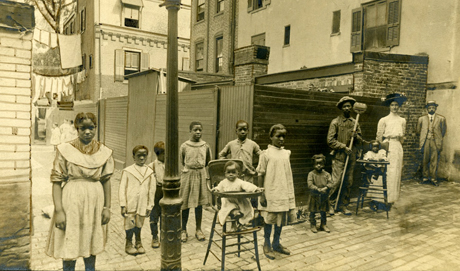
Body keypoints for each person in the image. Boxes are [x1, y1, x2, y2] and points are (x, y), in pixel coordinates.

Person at [46, 112, 114, 271]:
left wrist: (107, 208)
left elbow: (106, 181)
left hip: (95, 202)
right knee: (70, 243)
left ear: (96, 128)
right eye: (83, 128)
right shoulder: (64, 150)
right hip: (72, 201)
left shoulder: (104, 152)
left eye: (91, 127)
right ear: (76, 128)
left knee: (91, 244)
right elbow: (56, 181)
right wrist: (59, 211)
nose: (87, 132)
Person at [257, 124, 296, 260]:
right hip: (271, 192)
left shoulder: (286, 153)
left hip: (283, 191)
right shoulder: (266, 154)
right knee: (269, 220)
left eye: (283, 136)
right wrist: (261, 193)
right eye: (278, 136)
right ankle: (266, 244)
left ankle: (276, 243)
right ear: (271, 137)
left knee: (280, 219)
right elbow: (260, 174)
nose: (281, 139)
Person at [327, 96, 362, 216]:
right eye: (345, 106)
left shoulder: (355, 122)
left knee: (348, 182)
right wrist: (343, 147)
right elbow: (330, 140)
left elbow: (360, 141)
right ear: (341, 108)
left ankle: (343, 205)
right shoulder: (335, 122)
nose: (347, 108)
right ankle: (330, 205)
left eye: (349, 106)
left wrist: (356, 136)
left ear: (352, 108)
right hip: (339, 157)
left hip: (351, 157)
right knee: (336, 182)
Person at [119, 145, 155, 255]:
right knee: (130, 223)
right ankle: (129, 242)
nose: (142, 158)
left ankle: (138, 242)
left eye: (144, 155)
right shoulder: (127, 171)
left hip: (142, 204)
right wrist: (123, 204)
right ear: (133, 157)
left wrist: (150, 205)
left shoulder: (149, 172)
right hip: (130, 203)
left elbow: (152, 190)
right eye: (139, 156)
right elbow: (122, 188)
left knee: (139, 222)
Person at [179, 121, 212, 243]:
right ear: (190, 131)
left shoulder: (205, 146)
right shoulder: (184, 146)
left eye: (200, 130)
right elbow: (182, 161)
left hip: (201, 175)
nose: (198, 132)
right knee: (185, 203)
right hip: (188, 175)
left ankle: (198, 229)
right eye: (195, 130)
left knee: (199, 204)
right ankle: (183, 230)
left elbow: (208, 161)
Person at [211, 161, 263, 232]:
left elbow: (248, 186)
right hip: (228, 201)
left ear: (238, 173)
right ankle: (235, 216)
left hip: (239, 201)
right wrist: (216, 189)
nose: (231, 174)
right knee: (230, 207)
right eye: (228, 172)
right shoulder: (223, 182)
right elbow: (219, 187)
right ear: (225, 173)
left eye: (233, 172)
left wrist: (256, 189)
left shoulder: (240, 182)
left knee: (245, 208)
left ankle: (240, 223)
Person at [376, 93, 407, 207]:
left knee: (395, 172)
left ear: (399, 107)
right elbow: (379, 137)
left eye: (396, 105)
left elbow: (402, 136)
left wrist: (398, 145)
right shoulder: (383, 120)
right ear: (389, 106)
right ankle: (380, 198)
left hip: (397, 146)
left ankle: (391, 199)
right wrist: (382, 149)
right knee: (386, 172)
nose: (394, 107)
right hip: (386, 145)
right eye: (392, 105)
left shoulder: (402, 120)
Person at [218, 120, 262, 184]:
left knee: (248, 191)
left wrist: (257, 167)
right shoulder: (231, 144)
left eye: (245, 129)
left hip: (248, 175)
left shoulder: (252, 144)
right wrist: (228, 164)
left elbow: (261, 155)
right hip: (234, 175)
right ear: (236, 131)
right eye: (240, 129)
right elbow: (221, 155)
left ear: (248, 131)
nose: (243, 132)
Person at [416, 100, 447, 186]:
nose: (431, 109)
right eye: (429, 107)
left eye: (433, 107)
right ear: (427, 109)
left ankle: (433, 178)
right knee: (425, 160)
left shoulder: (441, 119)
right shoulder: (421, 119)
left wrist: (437, 138)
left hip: (435, 142)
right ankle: (425, 177)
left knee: (434, 160)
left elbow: (443, 131)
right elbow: (418, 131)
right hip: (425, 141)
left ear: (436, 108)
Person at [307, 154, 333, 233]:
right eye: (316, 163)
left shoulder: (327, 174)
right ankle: (313, 224)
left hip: (324, 195)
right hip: (314, 195)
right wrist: (317, 189)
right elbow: (310, 184)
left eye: (320, 163)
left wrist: (326, 188)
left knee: (323, 211)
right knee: (313, 211)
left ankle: (323, 224)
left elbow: (331, 183)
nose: (318, 165)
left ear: (323, 164)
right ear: (313, 164)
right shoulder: (311, 174)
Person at [148, 141, 165, 248]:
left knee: (165, 215)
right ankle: (154, 236)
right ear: (158, 154)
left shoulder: (170, 165)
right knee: (154, 216)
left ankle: (164, 235)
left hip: (166, 193)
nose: (166, 156)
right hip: (155, 193)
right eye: (163, 154)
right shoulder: (151, 166)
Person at [362, 141, 388, 211]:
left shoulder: (381, 152)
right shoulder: (369, 153)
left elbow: (384, 158)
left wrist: (381, 159)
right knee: (370, 165)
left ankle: (379, 204)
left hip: (379, 172)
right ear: (371, 147)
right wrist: (371, 161)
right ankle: (372, 175)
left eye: (377, 146)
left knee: (381, 167)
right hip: (370, 170)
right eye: (374, 146)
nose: (375, 148)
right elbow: (366, 160)